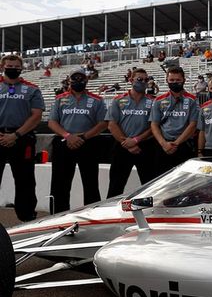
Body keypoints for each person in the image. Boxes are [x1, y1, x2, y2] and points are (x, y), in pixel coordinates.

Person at [47, 68, 107, 213]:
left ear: (86, 80)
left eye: (81, 78)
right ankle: (57, 216)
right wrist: (68, 136)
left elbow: (103, 123)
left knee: (91, 183)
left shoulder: (97, 100)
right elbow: (52, 122)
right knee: (59, 184)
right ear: (69, 80)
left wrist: (84, 137)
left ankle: (92, 215)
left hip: (88, 143)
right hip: (63, 142)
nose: (78, 81)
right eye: (74, 78)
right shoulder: (60, 98)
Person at [0, 55, 45, 222]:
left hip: (22, 138)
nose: (13, 68)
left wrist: (16, 135)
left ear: (21, 68)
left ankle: (26, 217)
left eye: (16, 66)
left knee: (25, 180)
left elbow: (36, 116)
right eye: (9, 65)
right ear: (3, 66)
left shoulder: (32, 89)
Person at [106, 68, 158, 197]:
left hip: (145, 147)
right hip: (122, 146)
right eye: (139, 79)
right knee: (115, 187)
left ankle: (148, 216)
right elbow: (112, 124)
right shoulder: (118, 100)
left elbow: (155, 126)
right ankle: (111, 214)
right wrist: (126, 142)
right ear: (131, 80)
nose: (143, 82)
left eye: (146, 80)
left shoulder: (153, 102)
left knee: (149, 187)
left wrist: (136, 140)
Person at [149, 66, 198, 174]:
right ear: (167, 80)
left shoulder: (192, 100)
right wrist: (163, 144)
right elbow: (154, 124)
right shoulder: (158, 100)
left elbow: (193, 124)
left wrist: (176, 143)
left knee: (184, 182)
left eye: (178, 80)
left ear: (184, 80)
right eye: (171, 80)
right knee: (160, 182)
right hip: (163, 146)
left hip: (184, 145)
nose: (175, 82)